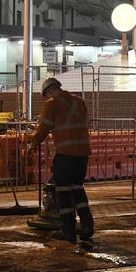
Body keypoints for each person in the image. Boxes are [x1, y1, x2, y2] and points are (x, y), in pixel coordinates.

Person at [28, 77, 94, 243]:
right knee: (78, 188)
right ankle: (87, 226)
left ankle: (68, 231)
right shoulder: (79, 102)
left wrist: (33, 144)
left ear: (49, 91)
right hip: (83, 154)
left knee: (63, 192)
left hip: (65, 154)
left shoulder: (52, 104)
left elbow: (44, 128)